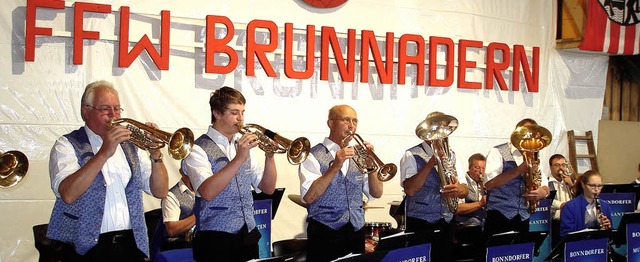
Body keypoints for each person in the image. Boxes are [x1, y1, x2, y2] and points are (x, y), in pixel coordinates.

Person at [47, 80, 169, 261]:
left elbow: (160, 191)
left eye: (117, 109)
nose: (113, 115)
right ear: (85, 111)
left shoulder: (131, 147)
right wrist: (104, 152)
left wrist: (155, 155)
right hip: (85, 248)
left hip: (131, 244)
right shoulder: (66, 145)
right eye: (105, 109)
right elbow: (68, 194)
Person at [181, 86, 277, 262]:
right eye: (234, 113)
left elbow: (268, 188)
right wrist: (239, 158)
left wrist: (269, 157)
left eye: (242, 112)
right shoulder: (197, 148)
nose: (241, 119)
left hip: (248, 234)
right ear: (217, 113)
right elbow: (207, 192)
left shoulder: (241, 144)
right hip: (215, 238)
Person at [298, 104, 383, 262]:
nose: (352, 126)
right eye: (346, 120)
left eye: (355, 121)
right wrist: (335, 166)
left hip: (355, 230)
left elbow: (376, 193)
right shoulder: (311, 155)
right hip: (325, 232)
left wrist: (371, 166)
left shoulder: (358, 155)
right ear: (330, 123)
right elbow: (309, 197)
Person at [400, 111, 469, 262]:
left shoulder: (452, 154)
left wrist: (459, 189)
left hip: (446, 220)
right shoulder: (411, 155)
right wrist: (431, 162)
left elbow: (465, 189)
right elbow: (410, 190)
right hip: (421, 221)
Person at [483, 118, 550, 242]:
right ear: (516, 134)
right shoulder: (498, 151)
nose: (529, 140)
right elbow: (490, 184)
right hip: (499, 214)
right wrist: (518, 170)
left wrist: (543, 192)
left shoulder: (535, 156)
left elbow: (544, 183)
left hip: (523, 216)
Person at [559, 170, 612, 238]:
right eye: (592, 186)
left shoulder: (605, 206)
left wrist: (606, 230)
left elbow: (610, 235)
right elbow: (566, 236)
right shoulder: (569, 207)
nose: (596, 189)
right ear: (583, 185)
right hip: (578, 247)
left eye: (599, 186)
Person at [159, 169, 195, 252]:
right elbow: (171, 230)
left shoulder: (205, 190)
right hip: (180, 249)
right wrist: (199, 215)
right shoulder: (171, 196)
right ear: (182, 171)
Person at [547, 154, 574, 247]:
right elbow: (547, 200)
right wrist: (562, 205)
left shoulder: (571, 181)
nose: (561, 168)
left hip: (571, 221)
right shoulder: (546, 183)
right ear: (551, 167)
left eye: (563, 165)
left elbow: (580, 197)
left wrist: (571, 185)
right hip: (556, 222)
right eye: (557, 165)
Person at [456, 153, 487, 227]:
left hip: (482, 219)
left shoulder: (486, 182)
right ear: (470, 168)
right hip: (466, 221)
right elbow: (457, 208)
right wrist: (480, 204)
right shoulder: (462, 182)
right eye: (478, 168)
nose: (481, 172)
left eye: (483, 168)